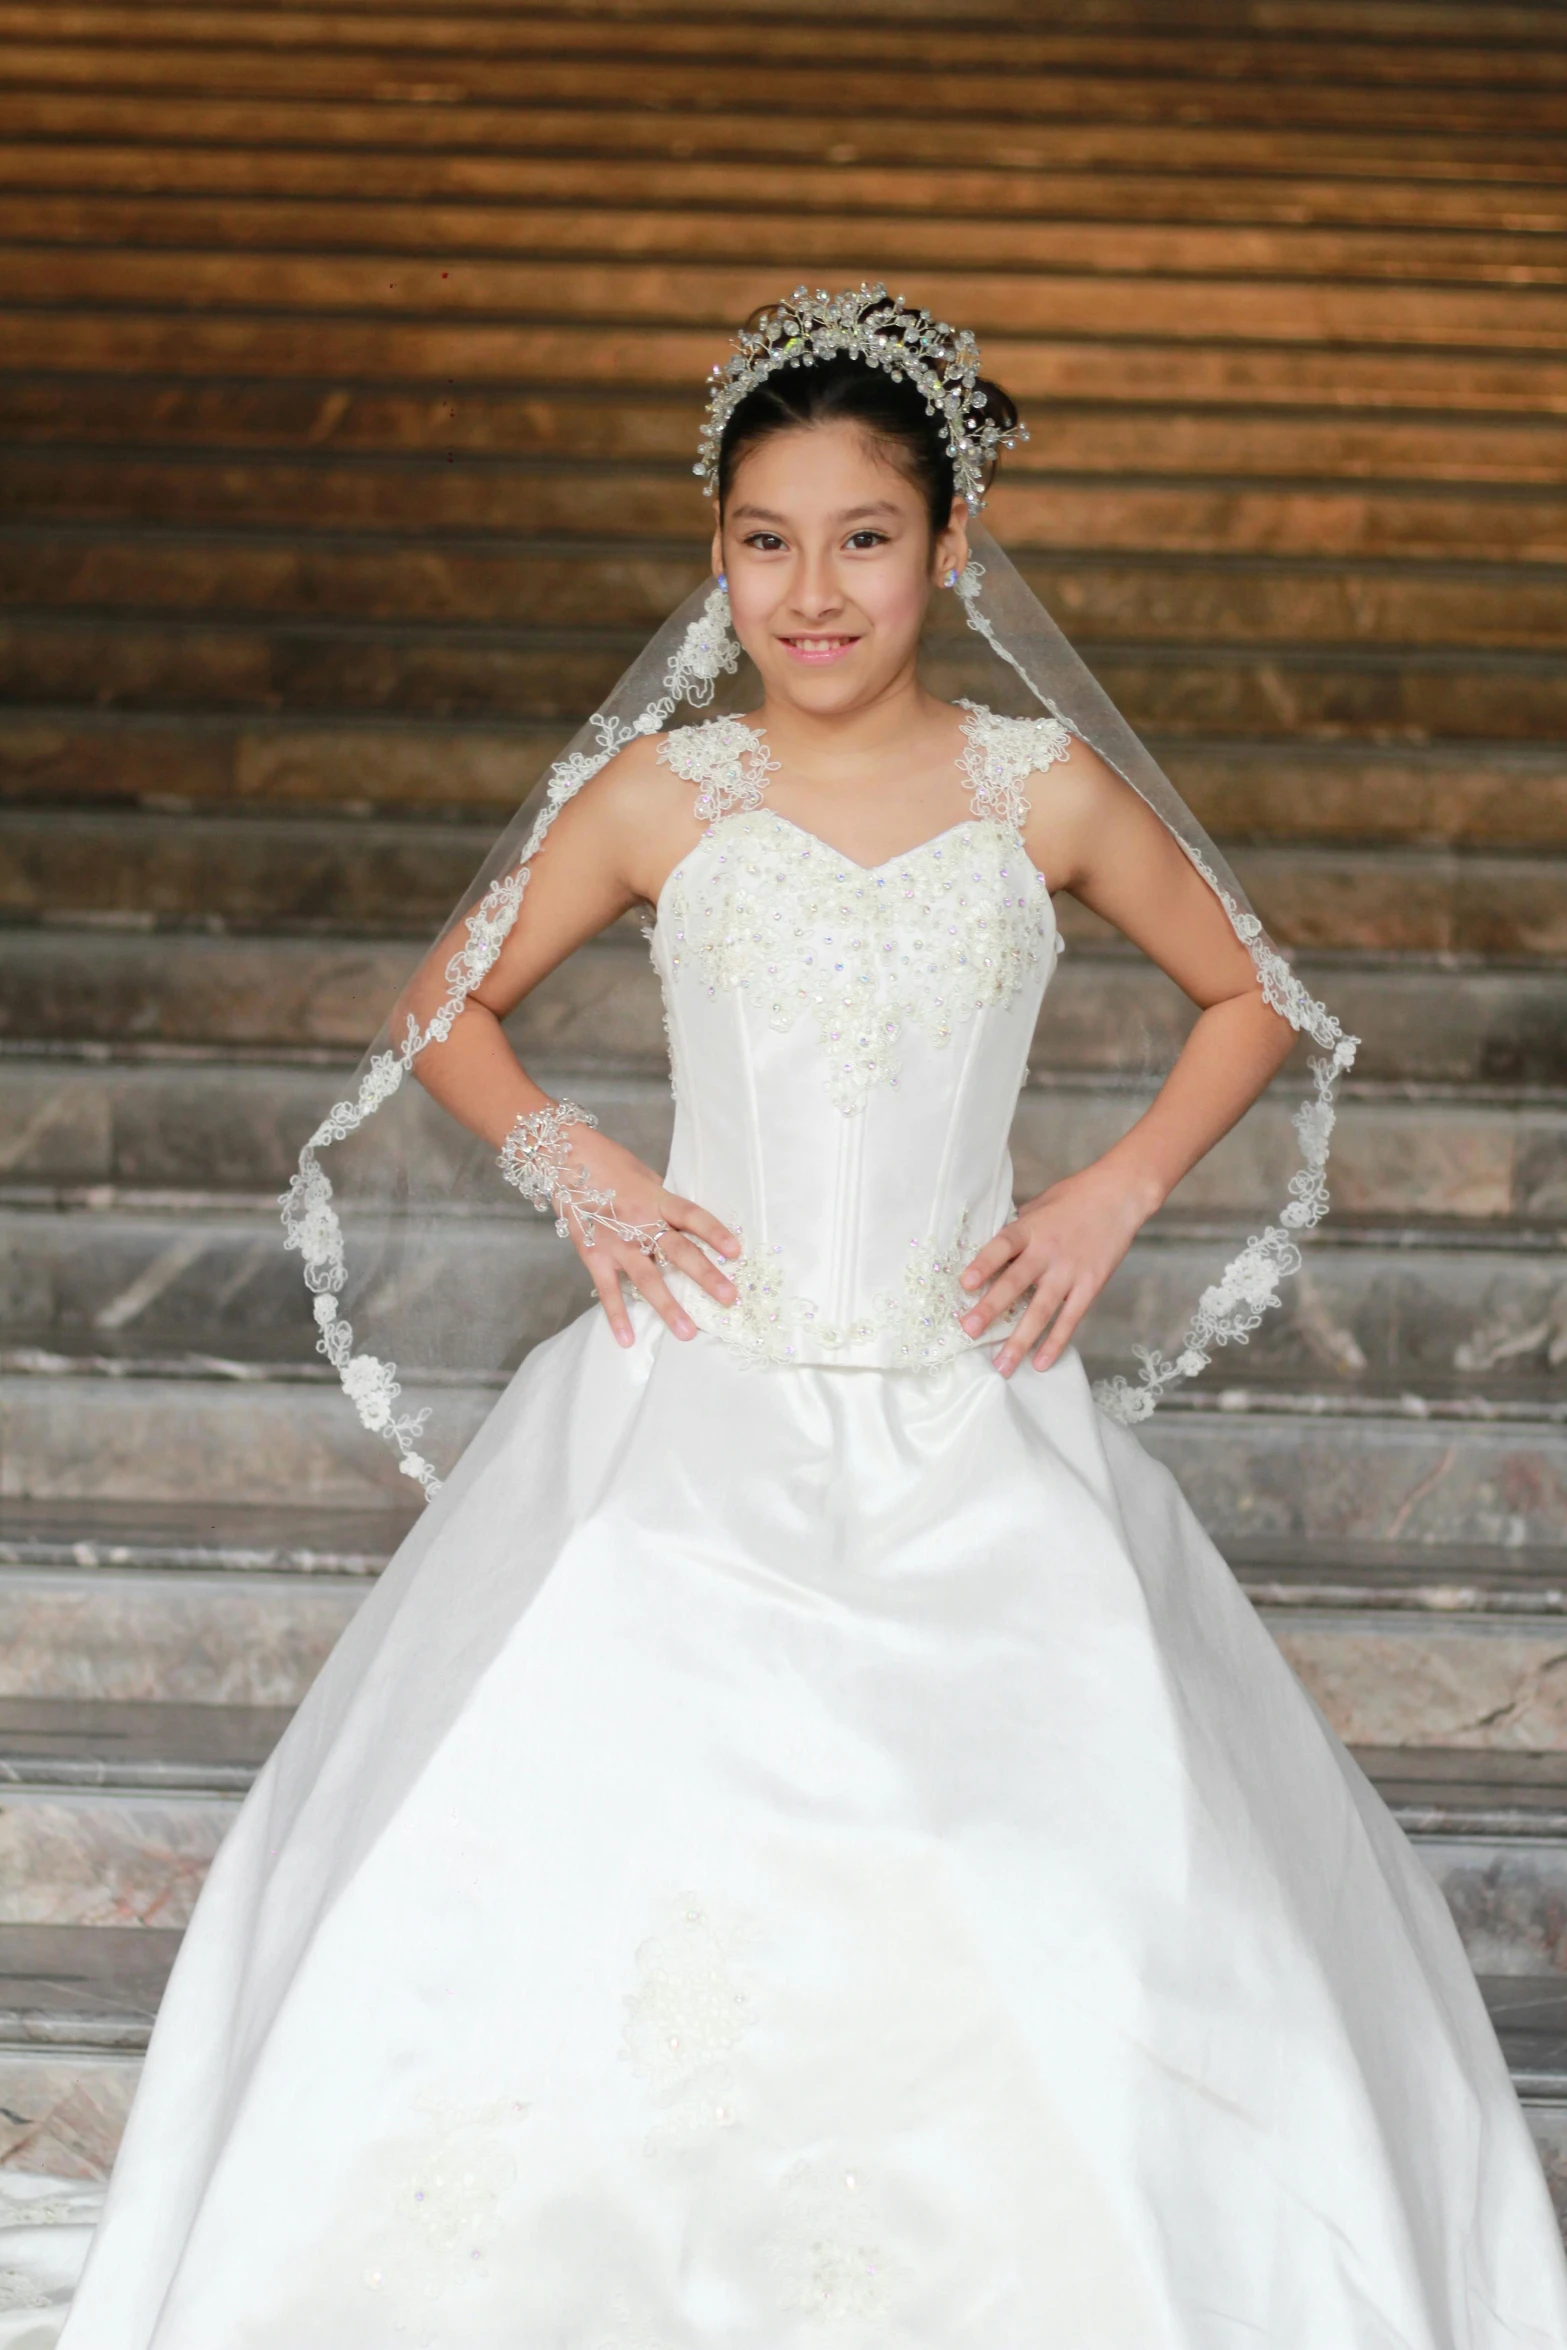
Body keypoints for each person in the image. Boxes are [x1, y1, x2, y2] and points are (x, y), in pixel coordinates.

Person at [49, 288, 1567, 2346]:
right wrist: (571, 1160)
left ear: (953, 543)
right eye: (765, 537)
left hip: (970, 1401)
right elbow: (443, 1001)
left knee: (1035, 1868)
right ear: (715, 556)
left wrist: (1111, 1186)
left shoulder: (1048, 791)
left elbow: (1253, 999)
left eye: (863, 534)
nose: (813, 586)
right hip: (696, 1403)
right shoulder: (671, 792)